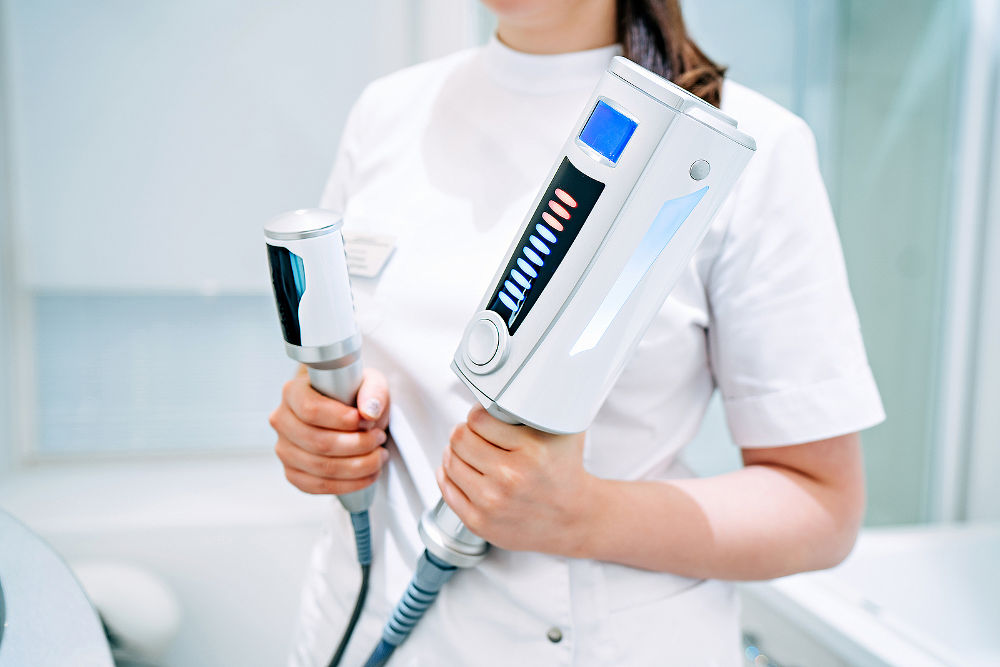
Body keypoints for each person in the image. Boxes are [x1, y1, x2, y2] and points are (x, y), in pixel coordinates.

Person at [268, 0, 886, 664]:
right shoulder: (388, 111)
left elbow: (823, 509)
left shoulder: (736, 145)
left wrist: (585, 514)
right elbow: (357, 372)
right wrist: (320, 433)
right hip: (355, 629)